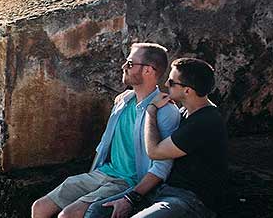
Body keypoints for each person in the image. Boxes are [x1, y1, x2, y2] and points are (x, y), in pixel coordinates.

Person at [32, 43, 181, 218]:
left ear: (148, 70)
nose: (123, 67)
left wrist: (132, 197)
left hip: (128, 182)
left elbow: (162, 167)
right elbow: (104, 145)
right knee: (40, 207)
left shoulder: (166, 111)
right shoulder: (123, 101)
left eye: (130, 64)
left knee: (68, 215)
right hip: (103, 173)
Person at [86, 58, 227, 218]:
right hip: (161, 190)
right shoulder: (185, 113)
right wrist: (133, 93)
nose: (166, 84)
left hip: (190, 200)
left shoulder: (205, 122)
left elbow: (154, 152)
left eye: (172, 82)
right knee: (99, 210)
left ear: (187, 91)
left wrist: (150, 110)